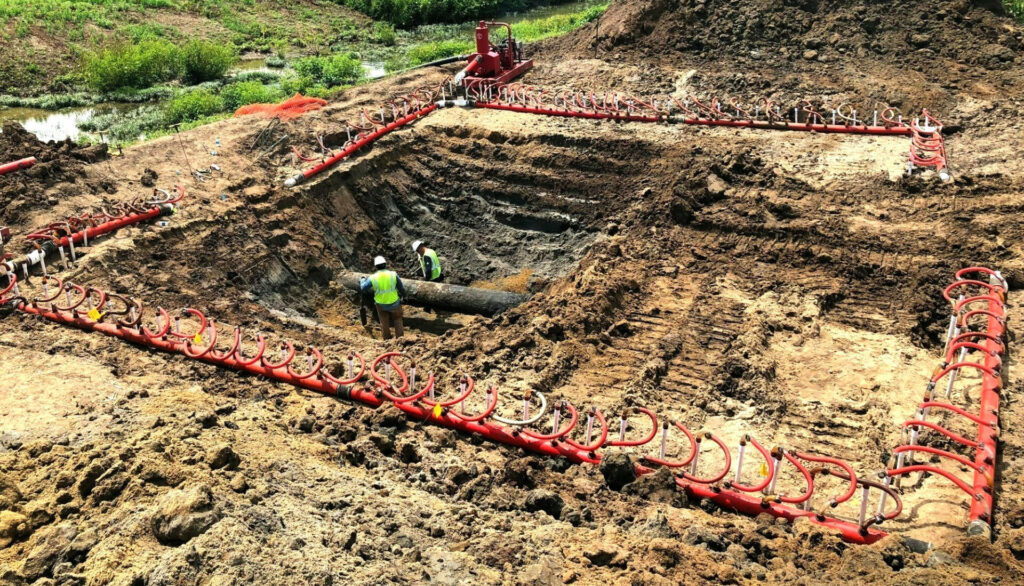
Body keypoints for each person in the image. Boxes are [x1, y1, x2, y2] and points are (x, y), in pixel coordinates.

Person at [360, 256, 406, 339]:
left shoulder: (373, 277)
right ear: (385, 264)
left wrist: (362, 279)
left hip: (381, 305)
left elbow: (363, 288)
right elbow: (401, 288)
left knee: (384, 323)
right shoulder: (393, 274)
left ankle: (387, 339)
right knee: (398, 320)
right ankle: (400, 339)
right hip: (394, 302)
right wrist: (404, 295)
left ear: (376, 266)